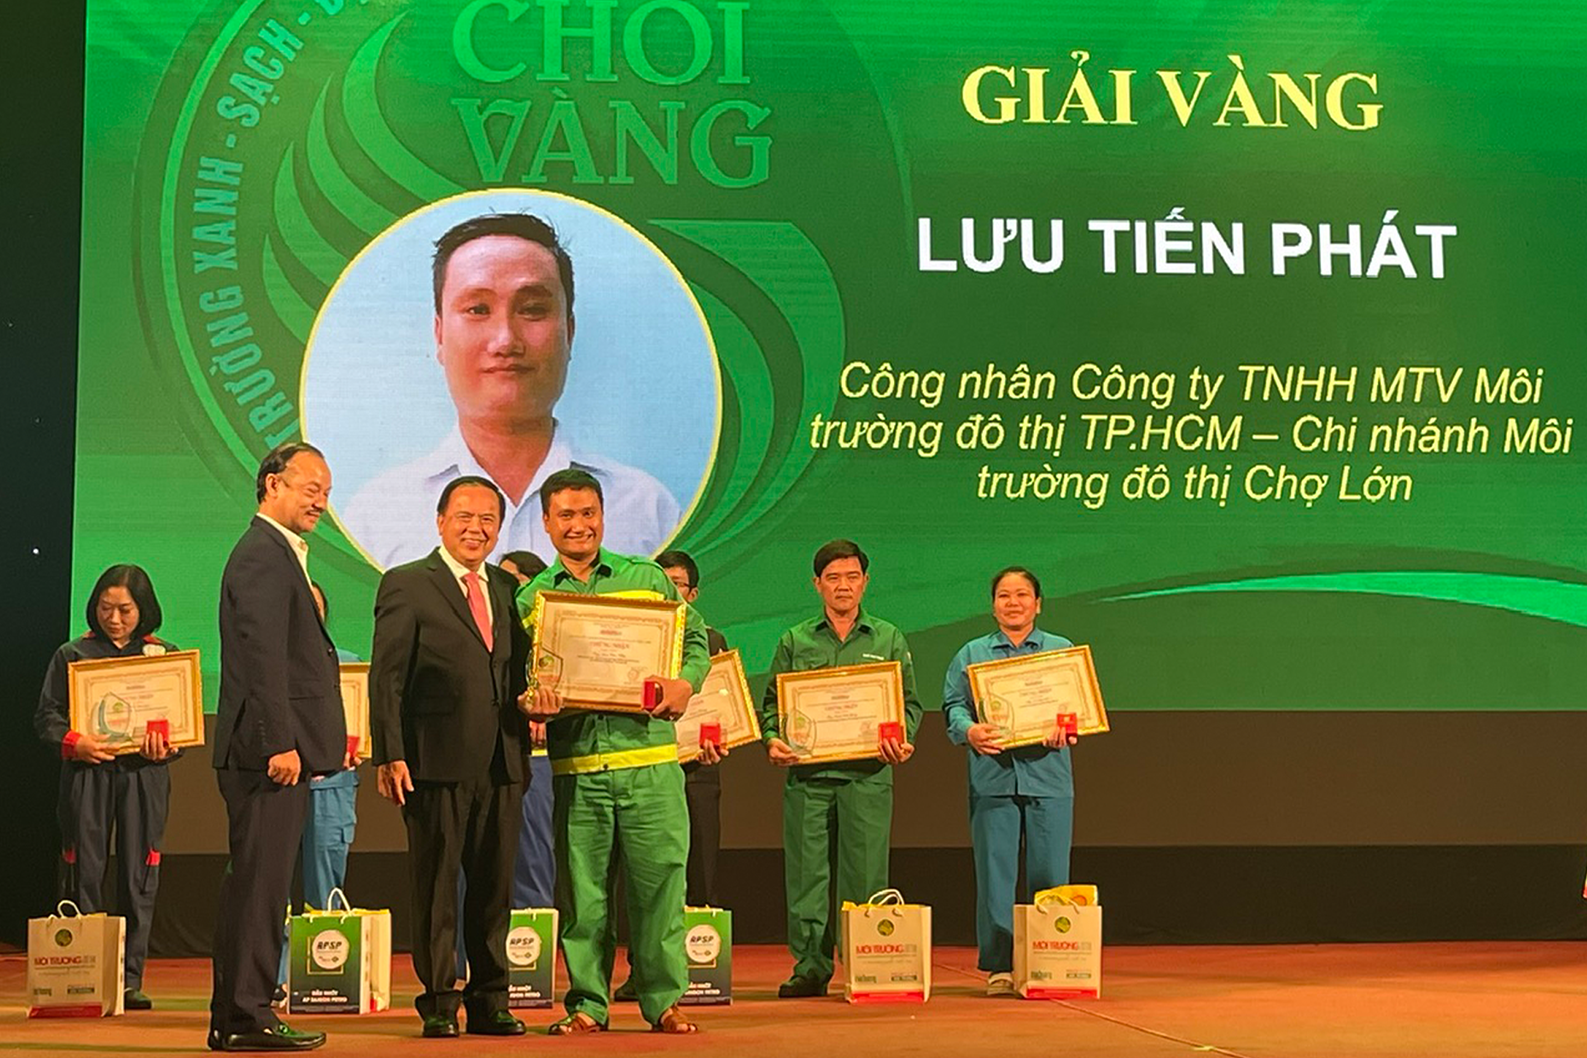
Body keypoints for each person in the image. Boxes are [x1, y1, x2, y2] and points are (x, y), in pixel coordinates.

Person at [340, 213, 680, 568]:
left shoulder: (648, 512)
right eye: (477, 309)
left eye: (532, 309)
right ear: (439, 335)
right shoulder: (374, 519)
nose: (505, 341)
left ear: (569, 332)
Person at [516, 469, 708, 1035]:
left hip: (651, 764)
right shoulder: (531, 598)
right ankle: (587, 1005)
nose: (579, 525)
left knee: (661, 889)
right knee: (584, 898)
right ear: (546, 522)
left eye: (588, 513)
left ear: (603, 515)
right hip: (578, 768)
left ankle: (663, 1001)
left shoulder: (646, 578)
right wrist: (531, 701)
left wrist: (686, 683)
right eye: (566, 515)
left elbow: (694, 640)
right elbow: (520, 675)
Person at [370, 475, 532, 1038]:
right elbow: (387, 678)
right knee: (437, 887)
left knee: (494, 890)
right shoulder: (407, 583)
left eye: (488, 519)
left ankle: (490, 1000)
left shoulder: (507, 589)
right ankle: (440, 1000)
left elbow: (518, 671)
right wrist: (390, 754)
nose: (476, 528)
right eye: (464, 516)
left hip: (503, 759)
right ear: (440, 521)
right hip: (433, 760)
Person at [210, 442, 348, 1052]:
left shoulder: (276, 550)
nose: (320, 501)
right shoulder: (263, 554)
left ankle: (237, 1016)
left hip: (274, 753)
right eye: (310, 487)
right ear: (272, 484)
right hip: (266, 756)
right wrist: (280, 744)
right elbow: (262, 656)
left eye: (326, 491)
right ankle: (245, 1018)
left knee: (260, 888)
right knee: (259, 890)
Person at [757, 539, 922, 999]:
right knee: (806, 876)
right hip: (808, 779)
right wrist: (772, 738)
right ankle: (810, 967)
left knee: (866, 877)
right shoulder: (795, 640)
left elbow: (909, 704)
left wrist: (901, 739)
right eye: (833, 578)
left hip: (868, 776)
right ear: (817, 584)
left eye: (851, 577)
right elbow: (772, 705)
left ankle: (867, 963)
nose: (843, 586)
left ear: (865, 582)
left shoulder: (888, 638)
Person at [34, 564, 179, 1012]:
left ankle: (129, 980)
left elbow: (180, 726)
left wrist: (167, 745)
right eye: (105, 608)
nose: (114, 619)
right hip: (87, 775)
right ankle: (85, 976)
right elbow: (47, 716)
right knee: (85, 872)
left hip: (143, 776)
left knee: (139, 876)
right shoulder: (73, 654)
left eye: (125, 610)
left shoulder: (163, 656)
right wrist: (73, 742)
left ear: (144, 609)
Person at [941, 567, 1079, 997]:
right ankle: (1000, 966)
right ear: (993, 605)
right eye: (1004, 595)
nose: (1013, 602)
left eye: (1022, 595)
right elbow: (953, 706)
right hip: (993, 778)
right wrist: (969, 731)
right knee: (995, 877)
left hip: (1049, 777)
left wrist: (1067, 726)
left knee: (1050, 876)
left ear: (1038, 604)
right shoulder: (972, 653)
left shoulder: (1061, 651)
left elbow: (1077, 708)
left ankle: (1049, 962)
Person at [612, 548, 728, 1003]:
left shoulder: (710, 640)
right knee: (642, 878)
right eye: (662, 583)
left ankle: (699, 971)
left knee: (698, 873)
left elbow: (722, 708)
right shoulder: (632, 635)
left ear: (692, 594)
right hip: (644, 769)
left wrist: (721, 737)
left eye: (677, 585)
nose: (669, 591)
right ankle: (641, 972)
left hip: (697, 771)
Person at [275, 583, 362, 1005]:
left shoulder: (350, 666)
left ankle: (322, 977)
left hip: (333, 788)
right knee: (273, 885)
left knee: (326, 884)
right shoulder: (268, 667)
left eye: (315, 606)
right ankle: (274, 976)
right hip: (279, 785)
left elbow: (364, 727)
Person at [500, 550, 555, 910]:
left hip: (537, 756)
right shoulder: (494, 628)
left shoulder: (552, 631)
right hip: (494, 749)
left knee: (533, 851)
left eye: (513, 582)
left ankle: (533, 934)